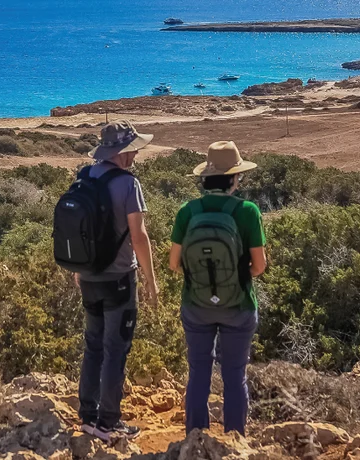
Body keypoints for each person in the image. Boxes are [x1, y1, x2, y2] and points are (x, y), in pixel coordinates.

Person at [168, 141, 267, 436]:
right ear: (235, 178)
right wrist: (234, 280)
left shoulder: (187, 211)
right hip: (238, 307)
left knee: (198, 373)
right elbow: (259, 266)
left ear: (205, 179)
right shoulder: (248, 211)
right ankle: (234, 439)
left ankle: (195, 441)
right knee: (234, 375)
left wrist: (201, 279)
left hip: (195, 305)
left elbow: (174, 264)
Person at [77, 120, 159, 441]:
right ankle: (109, 423)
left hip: (88, 276)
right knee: (115, 349)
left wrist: (77, 268)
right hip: (120, 279)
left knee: (93, 345)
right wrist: (150, 280)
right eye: (133, 149)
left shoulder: (85, 176)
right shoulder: (128, 184)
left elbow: (81, 228)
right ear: (123, 153)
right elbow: (139, 236)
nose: (136, 155)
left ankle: (88, 416)